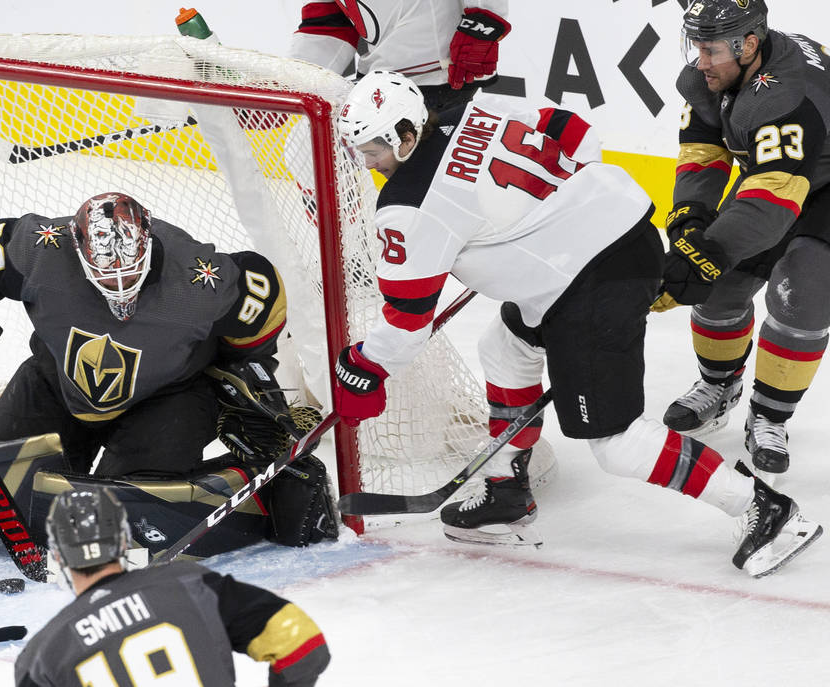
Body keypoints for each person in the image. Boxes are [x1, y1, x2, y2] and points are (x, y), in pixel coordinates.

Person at [328, 69, 821, 576]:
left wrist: (363, 367)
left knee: (616, 442)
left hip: (589, 284)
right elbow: (573, 128)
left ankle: (765, 510)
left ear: (407, 136)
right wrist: (548, 217)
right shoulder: (477, 112)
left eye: (373, 150)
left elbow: (408, 322)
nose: (368, 163)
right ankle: (506, 488)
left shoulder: (409, 205)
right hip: (624, 234)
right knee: (506, 347)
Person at [0, 191, 287, 479]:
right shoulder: (41, 249)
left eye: (131, 269)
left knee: (136, 504)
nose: (120, 282)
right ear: (76, 247)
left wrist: (251, 391)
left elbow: (259, 315)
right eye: (106, 271)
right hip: (56, 383)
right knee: (4, 479)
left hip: (168, 398)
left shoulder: (201, 279)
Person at [655, 0, 830, 485]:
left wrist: (703, 260)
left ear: (748, 44)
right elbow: (703, 153)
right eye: (697, 46)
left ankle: (770, 416)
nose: (700, 61)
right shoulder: (711, 77)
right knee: (720, 288)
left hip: (820, 190)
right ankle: (719, 386)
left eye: (710, 50)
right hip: (774, 177)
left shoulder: (785, 94)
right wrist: (690, 225)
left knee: (803, 295)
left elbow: (774, 203)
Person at [13, 488, 330, 687]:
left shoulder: (41, 657)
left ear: (57, 555)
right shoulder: (190, 585)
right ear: (124, 541)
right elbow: (301, 644)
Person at [289, 0, 510, 112]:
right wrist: (290, 87)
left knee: (421, 176)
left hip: (440, 77)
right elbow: (326, 26)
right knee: (311, 153)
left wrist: (482, 25)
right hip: (381, 79)